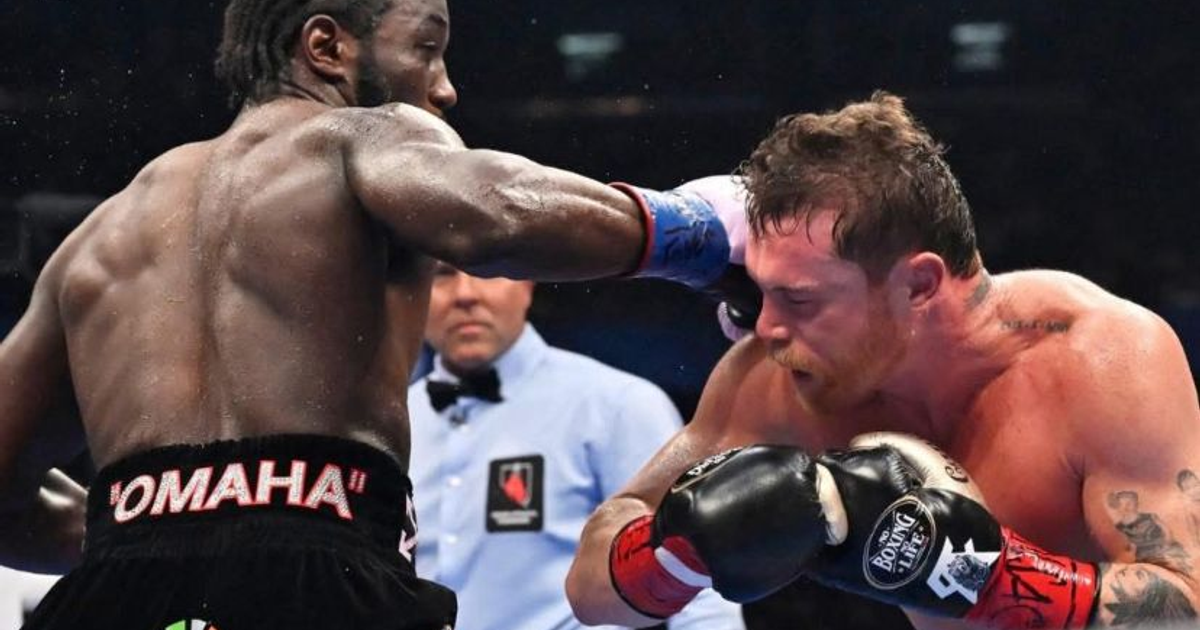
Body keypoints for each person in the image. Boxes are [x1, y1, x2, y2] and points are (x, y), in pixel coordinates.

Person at [0, 0, 746, 628]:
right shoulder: (362, 136)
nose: (445, 89)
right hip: (318, 580)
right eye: (427, 48)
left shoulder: (97, 238)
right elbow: (497, 215)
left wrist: (136, 534)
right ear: (326, 46)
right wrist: (710, 236)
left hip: (110, 598)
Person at [565, 91, 1200, 630]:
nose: (765, 325)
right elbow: (590, 588)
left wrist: (988, 576)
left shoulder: (1099, 358)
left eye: (800, 297)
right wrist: (672, 557)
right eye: (763, 290)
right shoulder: (777, 384)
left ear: (919, 285)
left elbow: (1188, 606)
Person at [407, 263, 744, 630]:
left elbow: (695, 580)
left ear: (526, 283)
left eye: (486, 273)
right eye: (442, 275)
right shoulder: (391, 424)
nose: (466, 294)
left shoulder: (617, 405)